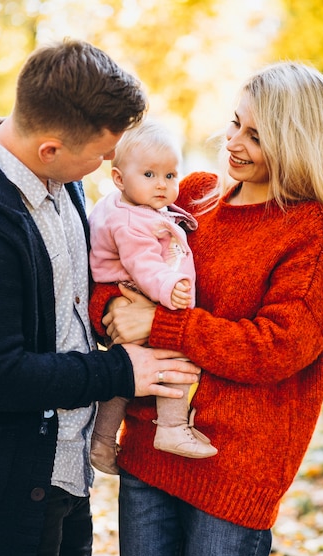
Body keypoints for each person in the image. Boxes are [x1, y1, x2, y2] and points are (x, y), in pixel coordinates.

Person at [0, 39, 201, 556]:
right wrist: (121, 370)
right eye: (102, 156)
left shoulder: (63, 180)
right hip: (4, 489)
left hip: (64, 468)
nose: (108, 169)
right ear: (50, 146)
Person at [89, 61, 323, 556]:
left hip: (234, 472)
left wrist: (158, 325)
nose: (232, 142)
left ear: (294, 141)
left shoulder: (309, 230)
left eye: (255, 135)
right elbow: (110, 265)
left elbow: (275, 348)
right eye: (235, 124)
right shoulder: (191, 195)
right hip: (151, 452)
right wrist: (112, 309)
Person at [88, 119, 217, 474]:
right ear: (118, 178)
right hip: (143, 290)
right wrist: (168, 290)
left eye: (171, 176)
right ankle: (173, 428)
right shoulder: (131, 224)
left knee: (124, 377)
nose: (162, 185)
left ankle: (100, 442)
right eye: (149, 175)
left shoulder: (131, 207)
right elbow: (142, 263)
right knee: (176, 357)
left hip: (130, 294)